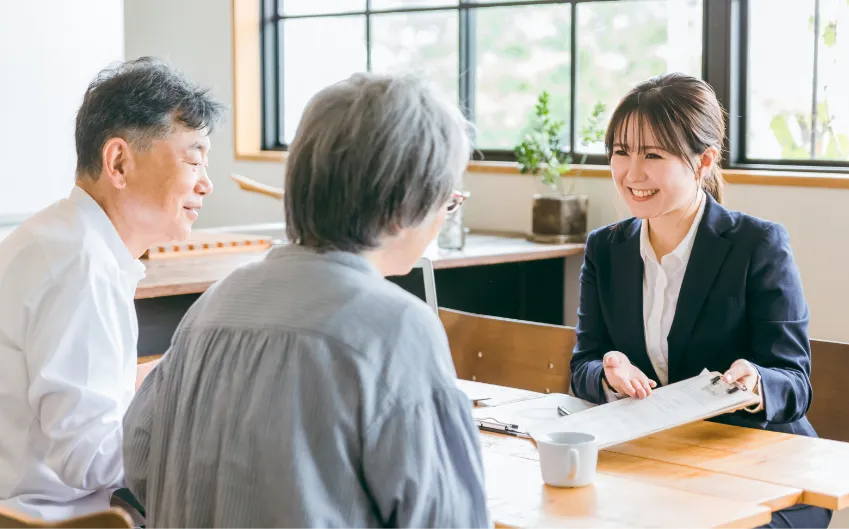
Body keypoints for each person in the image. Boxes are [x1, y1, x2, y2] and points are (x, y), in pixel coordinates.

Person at [122, 72, 489, 528]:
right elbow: (449, 520)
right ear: (405, 206)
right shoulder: (395, 328)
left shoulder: (214, 306)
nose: (442, 217)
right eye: (447, 201)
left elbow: (138, 461)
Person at [569, 73, 831, 529]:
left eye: (653, 155)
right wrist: (609, 374)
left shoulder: (757, 244)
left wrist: (755, 385)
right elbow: (583, 366)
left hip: (762, 477)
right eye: (621, 152)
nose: (632, 174)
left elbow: (794, 383)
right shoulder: (605, 248)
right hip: (654, 467)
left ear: (704, 160)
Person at [0, 57, 224, 521]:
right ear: (118, 161)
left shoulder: (58, 239)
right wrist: (206, 431)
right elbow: (89, 456)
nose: (207, 183)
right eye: (194, 159)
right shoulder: (80, 265)